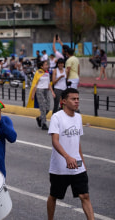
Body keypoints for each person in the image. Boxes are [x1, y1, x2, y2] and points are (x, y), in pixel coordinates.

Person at [47, 88, 95, 220]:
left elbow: (77, 143)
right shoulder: (57, 117)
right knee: (54, 195)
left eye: (78, 99)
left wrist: (83, 165)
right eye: (73, 99)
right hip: (60, 168)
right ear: (63, 101)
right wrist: (67, 157)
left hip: (77, 166)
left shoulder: (78, 117)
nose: (77, 101)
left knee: (84, 195)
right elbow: (55, 141)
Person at [28, 61, 55, 130]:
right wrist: (33, 94)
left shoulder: (47, 73)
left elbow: (49, 83)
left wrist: (52, 92)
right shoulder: (38, 73)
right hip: (39, 91)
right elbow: (35, 84)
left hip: (46, 91)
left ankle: (40, 118)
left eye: (47, 65)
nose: (47, 66)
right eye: (46, 65)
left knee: (48, 108)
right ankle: (44, 123)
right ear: (41, 66)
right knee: (42, 107)